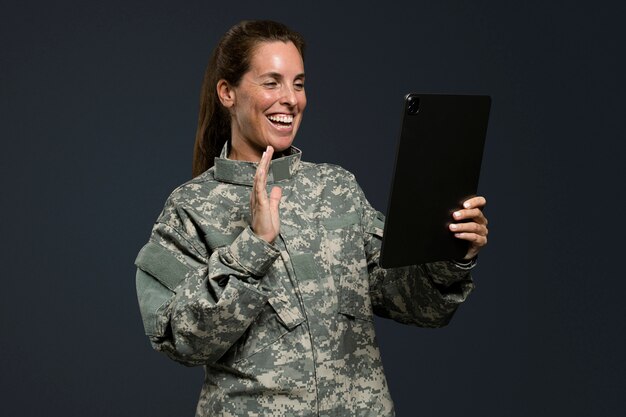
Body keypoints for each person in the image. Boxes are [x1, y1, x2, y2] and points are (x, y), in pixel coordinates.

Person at [135, 20, 488, 417]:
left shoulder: (336, 189)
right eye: (272, 83)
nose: (290, 99)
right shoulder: (190, 207)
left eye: (298, 83)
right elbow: (180, 341)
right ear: (227, 93)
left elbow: (418, 307)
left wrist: (451, 253)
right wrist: (253, 245)